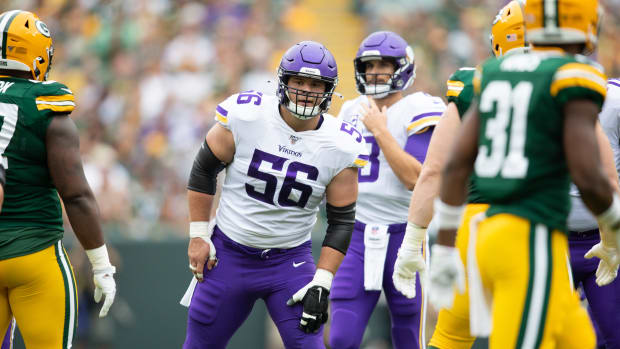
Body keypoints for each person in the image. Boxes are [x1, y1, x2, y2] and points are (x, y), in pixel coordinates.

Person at [393, 2, 620, 348]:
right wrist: (613, 232)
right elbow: (592, 174)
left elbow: (447, 168)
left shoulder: (488, 76)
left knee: (577, 338)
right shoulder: (571, 75)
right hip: (532, 236)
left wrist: (440, 246)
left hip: (482, 233)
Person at [181, 41, 368, 349]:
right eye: (298, 81)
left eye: (315, 84)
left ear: (329, 90)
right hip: (229, 255)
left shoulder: (341, 144)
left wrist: (323, 279)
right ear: (283, 81)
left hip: (289, 262)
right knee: (199, 344)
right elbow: (203, 170)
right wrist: (199, 234)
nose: (306, 90)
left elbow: (342, 220)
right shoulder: (247, 115)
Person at [0, 10, 117, 349]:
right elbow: (76, 194)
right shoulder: (44, 104)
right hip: (34, 255)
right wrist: (101, 265)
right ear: (38, 56)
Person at [328, 31, 445, 349]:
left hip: (404, 235)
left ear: (403, 68)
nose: (375, 71)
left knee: (409, 337)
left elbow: (416, 178)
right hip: (355, 235)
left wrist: (381, 131)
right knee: (341, 338)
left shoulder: (420, 107)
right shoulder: (351, 110)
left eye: (383, 64)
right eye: (369, 65)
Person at [568, 78, 620, 349]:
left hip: (607, 240)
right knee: (544, 334)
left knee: (614, 335)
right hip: (553, 238)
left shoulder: (615, 101)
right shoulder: (538, 96)